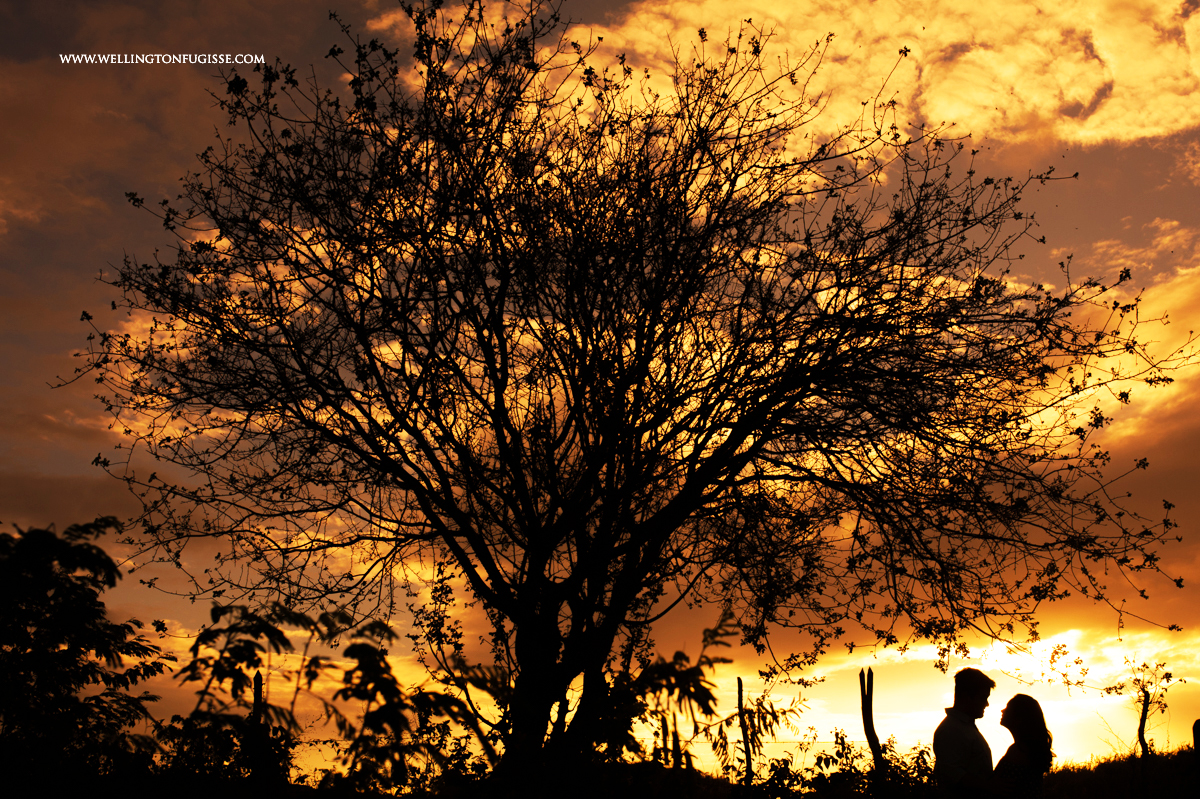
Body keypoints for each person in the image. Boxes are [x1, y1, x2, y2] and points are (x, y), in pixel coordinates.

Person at [933, 667, 996, 798]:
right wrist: (991, 786)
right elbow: (952, 775)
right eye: (983, 698)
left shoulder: (964, 728)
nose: (987, 704)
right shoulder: (952, 730)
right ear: (967, 697)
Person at [992, 693, 1053, 798]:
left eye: (1008, 708)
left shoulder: (1019, 751)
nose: (1003, 710)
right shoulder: (1027, 750)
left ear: (1019, 718)